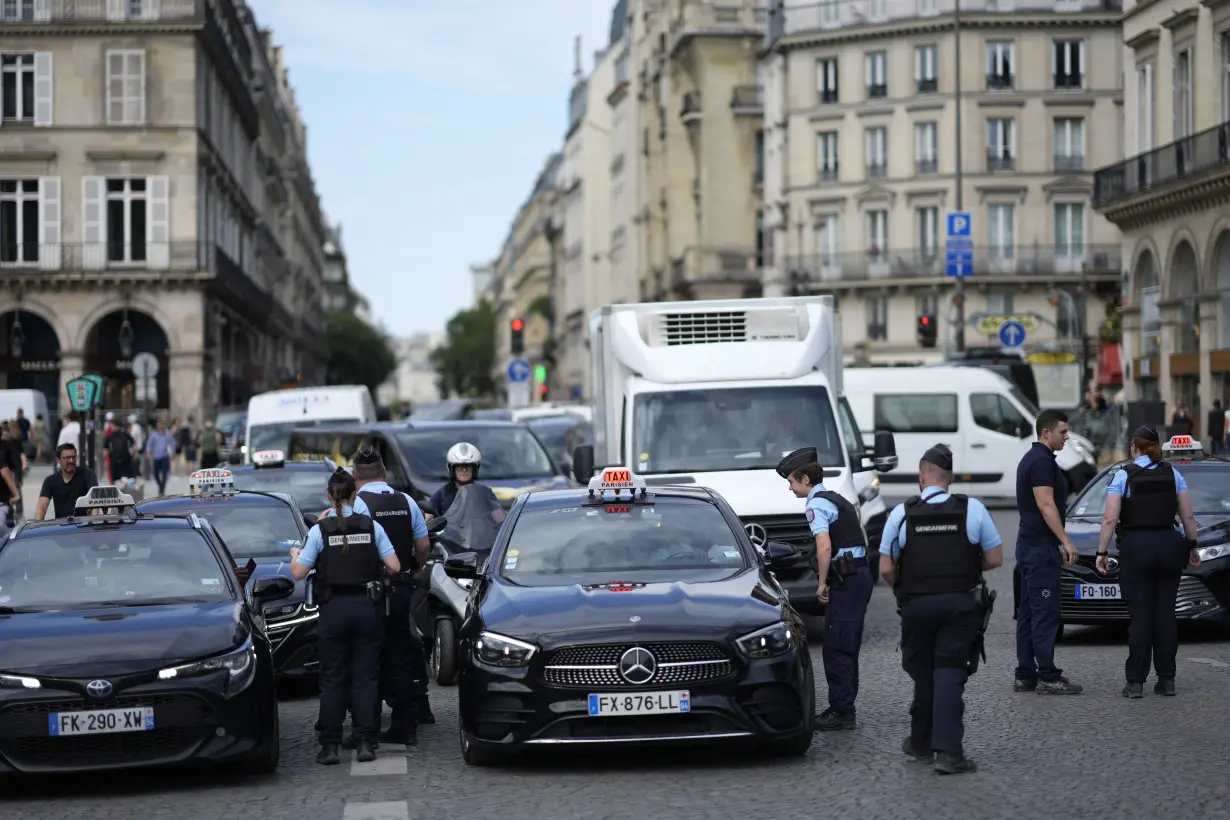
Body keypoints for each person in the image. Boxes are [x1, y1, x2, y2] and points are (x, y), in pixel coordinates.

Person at [879, 444, 1004, 775]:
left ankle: (921, 743)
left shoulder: (901, 513)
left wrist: (903, 585)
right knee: (948, 673)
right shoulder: (972, 509)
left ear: (922, 477)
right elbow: (995, 558)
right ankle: (947, 753)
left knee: (923, 673)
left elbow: (886, 568)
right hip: (959, 604)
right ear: (949, 478)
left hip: (917, 605)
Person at [290, 467, 400, 766]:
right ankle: (365, 742)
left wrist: (294, 555)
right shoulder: (371, 526)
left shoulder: (319, 530)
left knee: (333, 678)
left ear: (329, 496)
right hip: (367, 608)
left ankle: (330, 747)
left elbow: (299, 572)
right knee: (366, 677)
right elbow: (394, 565)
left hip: (333, 610)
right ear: (355, 494)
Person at [332, 446, 434, 743]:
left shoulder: (356, 505)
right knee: (401, 656)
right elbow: (424, 546)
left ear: (354, 476)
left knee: (366, 660)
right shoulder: (407, 501)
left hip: (366, 594)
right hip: (401, 591)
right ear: (384, 474)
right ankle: (405, 726)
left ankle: (368, 728)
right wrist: (413, 569)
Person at [1094, 426, 1200, 697]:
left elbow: (1110, 518)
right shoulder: (1173, 473)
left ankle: (1135, 682)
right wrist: (1192, 546)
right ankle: (1167, 680)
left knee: (1141, 616)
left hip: (1136, 547)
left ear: (1134, 446)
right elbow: (1188, 516)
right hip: (1168, 544)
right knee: (1165, 614)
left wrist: (1102, 552)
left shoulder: (1123, 475)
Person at [778, 445, 871, 731]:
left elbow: (824, 545)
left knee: (836, 646)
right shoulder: (837, 498)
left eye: (792, 482)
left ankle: (842, 712)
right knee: (847, 643)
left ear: (805, 479)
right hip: (859, 575)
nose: (791, 489)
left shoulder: (816, 504)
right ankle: (845, 706)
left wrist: (821, 583)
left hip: (847, 579)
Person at [1013, 409, 1082, 695]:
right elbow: (1045, 504)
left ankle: (1025, 675)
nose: (1067, 437)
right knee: (1044, 613)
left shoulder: (1034, 458)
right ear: (1046, 433)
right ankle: (1048, 676)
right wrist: (1065, 540)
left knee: (1029, 613)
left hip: (1030, 546)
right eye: (1063, 432)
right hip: (1040, 550)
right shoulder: (1040, 461)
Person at [36, 443, 98, 519]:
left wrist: (94, 521)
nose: (71, 461)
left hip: (83, 525)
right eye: (67, 458)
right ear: (58, 460)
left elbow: (95, 501)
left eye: (73, 457)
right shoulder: (50, 481)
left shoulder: (88, 475)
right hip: (62, 527)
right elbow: (42, 506)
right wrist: (38, 527)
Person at [427, 442, 484, 516]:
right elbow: (426, 518)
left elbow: (499, 519)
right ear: (452, 468)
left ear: (475, 469)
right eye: (459, 466)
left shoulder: (483, 493)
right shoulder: (444, 493)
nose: (464, 470)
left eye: (468, 466)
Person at [146, 417, 175, 495]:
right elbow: (149, 444)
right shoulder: (153, 434)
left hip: (165, 456)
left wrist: (173, 454)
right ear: (157, 425)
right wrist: (148, 452)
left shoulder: (167, 433)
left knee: (165, 474)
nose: (160, 425)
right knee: (155, 474)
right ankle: (160, 485)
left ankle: (162, 489)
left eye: (162, 423)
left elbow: (172, 444)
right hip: (156, 457)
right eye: (159, 423)